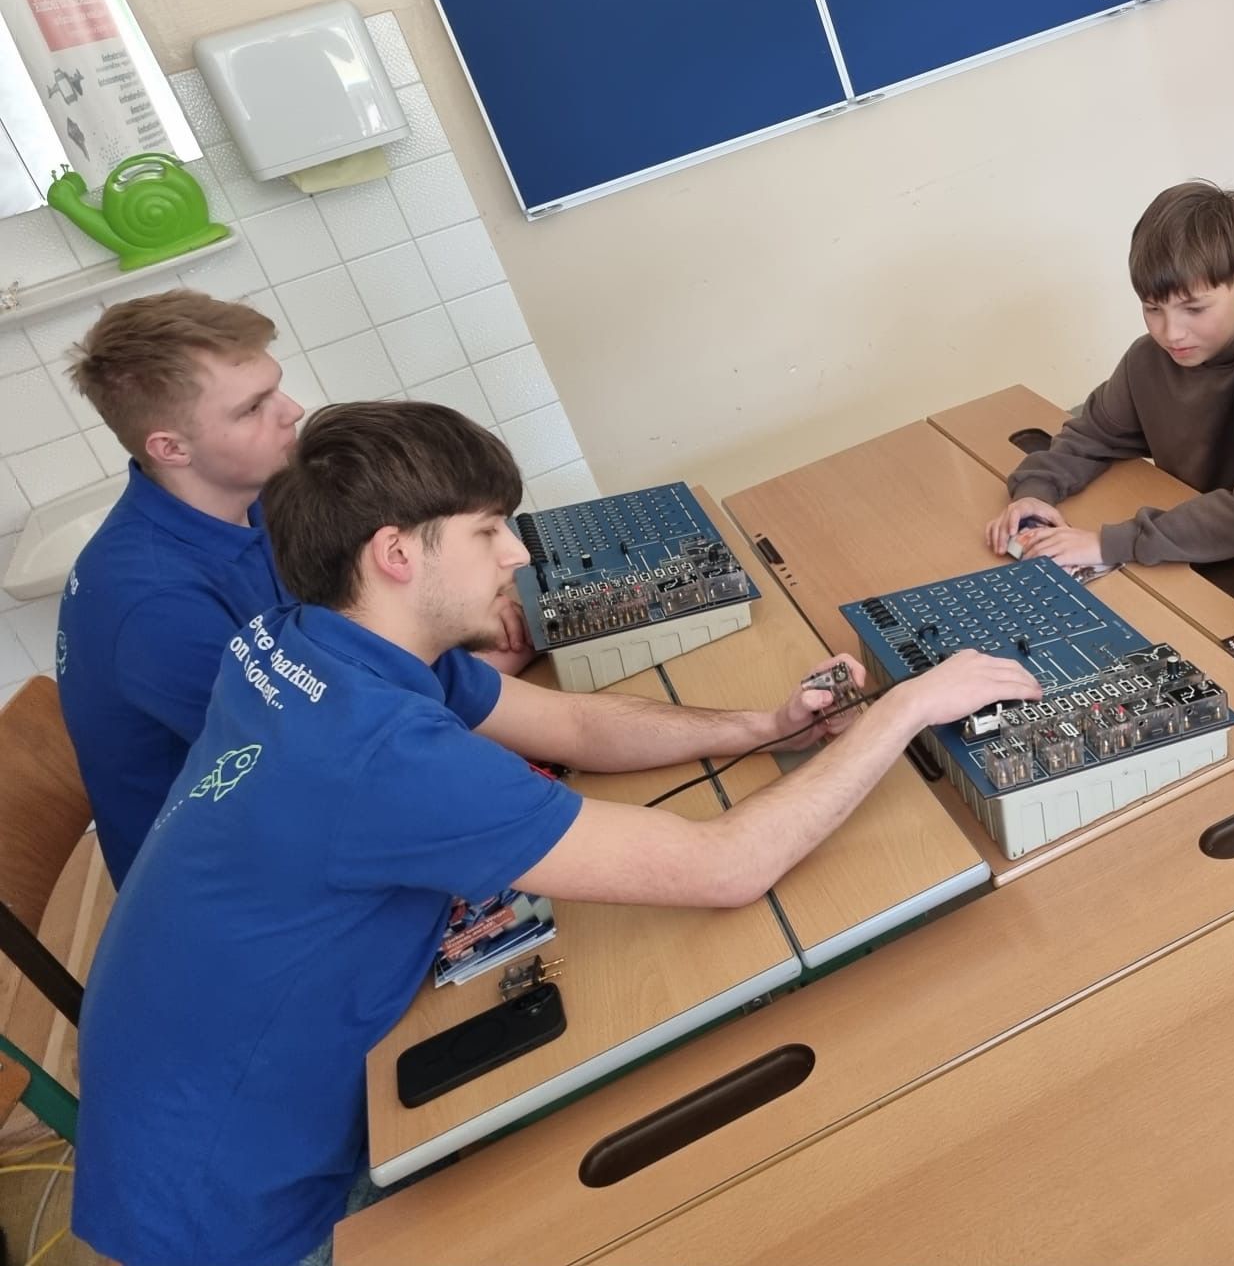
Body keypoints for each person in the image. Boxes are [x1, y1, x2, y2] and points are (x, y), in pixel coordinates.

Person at [73, 401, 1041, 1266]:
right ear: (397, 553)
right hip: (239, 1203)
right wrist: (908, 706)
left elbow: (572, 725)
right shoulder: (376, 750)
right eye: (487, 531)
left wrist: (765, 727)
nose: (516, 556)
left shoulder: (317, 637)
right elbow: (728, 866)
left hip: (212, 1087)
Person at [56, 294, 531, 887]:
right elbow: (334, 765)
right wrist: (486, 653)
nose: (292, 410)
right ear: (171, 448)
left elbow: (360, 649)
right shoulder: (154, 605)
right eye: (253, 408)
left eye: (274, 388)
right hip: (245, 876)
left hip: (325, 785)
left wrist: (470, 622)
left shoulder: (259, 498)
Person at [984, 180, 1234, 568]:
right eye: (1153, 308)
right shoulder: (1148, 357)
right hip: (1191, 553)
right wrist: (1035, 491)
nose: (1171, 334)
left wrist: (1111, 544)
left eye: (1194, 309)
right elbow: (1092, 435)